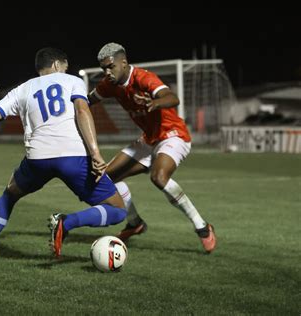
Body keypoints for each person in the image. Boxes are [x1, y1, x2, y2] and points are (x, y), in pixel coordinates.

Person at [0, 47, 127, 264]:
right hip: (74, 157)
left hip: (37, 159)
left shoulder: (22, 89)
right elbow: (82, 111)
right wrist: (95, 153)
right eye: (65, 67)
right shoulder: (72, 81)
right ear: (58, 65)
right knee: (118, 210)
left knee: (9, 195)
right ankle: (66, 223)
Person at [88, 42, 216, 253]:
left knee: (158, 177)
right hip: (148, 140)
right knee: (105, 178)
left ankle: (202, 227)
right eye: (104, 68)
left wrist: (155, 103)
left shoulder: (143, 78)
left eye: (111, 66)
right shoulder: (109, 85)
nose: (107, 72)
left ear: (124, 62)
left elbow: (172, 98)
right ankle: (135, 222)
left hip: (173, 135)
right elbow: (88, 100)